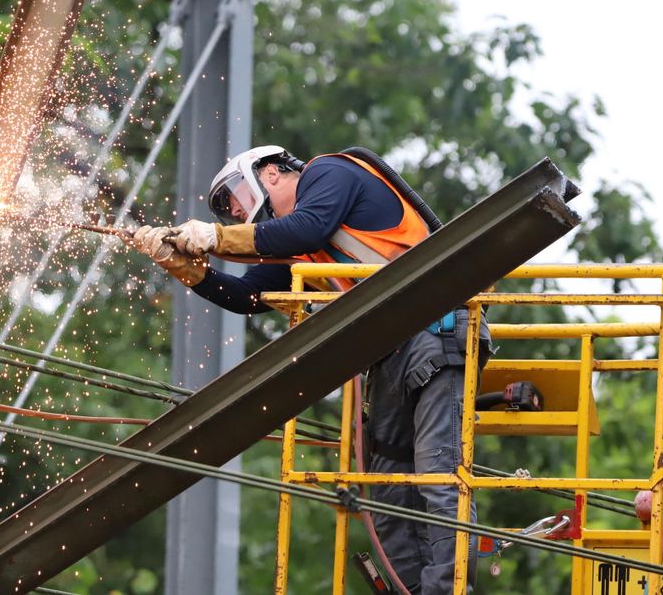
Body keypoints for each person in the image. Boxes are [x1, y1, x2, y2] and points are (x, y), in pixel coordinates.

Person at [131, 145, 486, 594]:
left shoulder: (328, 173)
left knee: (438, 474)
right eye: (227, 211)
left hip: (434, 331)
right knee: (388, 487)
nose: (236, 210)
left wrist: (218, 239)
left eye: (236, 195)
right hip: (393, 354)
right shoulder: (306, 251)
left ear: (274, 172)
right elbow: (247, 297)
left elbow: (306, 226)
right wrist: (186, 270)